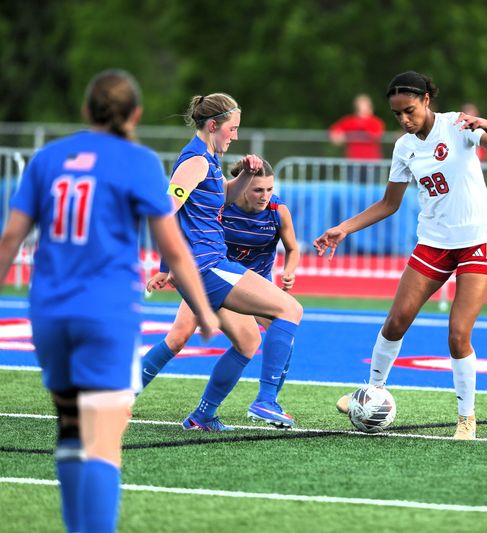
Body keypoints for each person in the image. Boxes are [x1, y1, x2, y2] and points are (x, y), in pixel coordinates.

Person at [0, 70, 218, 532]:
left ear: (85, 111)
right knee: (102, 439)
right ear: (135, 114)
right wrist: (202, 310)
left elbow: (10, 242)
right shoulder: (136, 162)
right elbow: (175, 249)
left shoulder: (49, 158)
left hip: (49, 311)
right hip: (105, 312)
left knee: (72, 429)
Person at [314, 71, 487, 440]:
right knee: (396, 321)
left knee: (458, 334)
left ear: (426, 100)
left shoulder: (458, 125)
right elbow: (389, 204)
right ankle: (371, 391)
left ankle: (466, 418)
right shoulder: (404, 147)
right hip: (433, 242)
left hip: (477, 240)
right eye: (397, 114)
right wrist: (344, 228)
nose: (404, 120)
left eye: (409, 110)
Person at [150, 93, 303, 432]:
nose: (235, 136)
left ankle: (202, 416)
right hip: (205, 265)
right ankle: (266, 401)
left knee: (249, 341)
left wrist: (247, 175)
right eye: (232, 129)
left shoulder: (207, 158)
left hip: (207, 264)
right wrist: (166, 264)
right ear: (214, 125)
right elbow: (165, 213)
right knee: (290, 310)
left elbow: (224, 196)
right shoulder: (196, 161)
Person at [329, 93, 385, 182]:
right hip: (353, 162)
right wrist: (339, 136)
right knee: (353, 191)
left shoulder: (375, 122)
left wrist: (352, 131)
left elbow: (376, 135)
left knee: (372, 190)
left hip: (371, 164)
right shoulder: (349, 121)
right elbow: (334, 132)